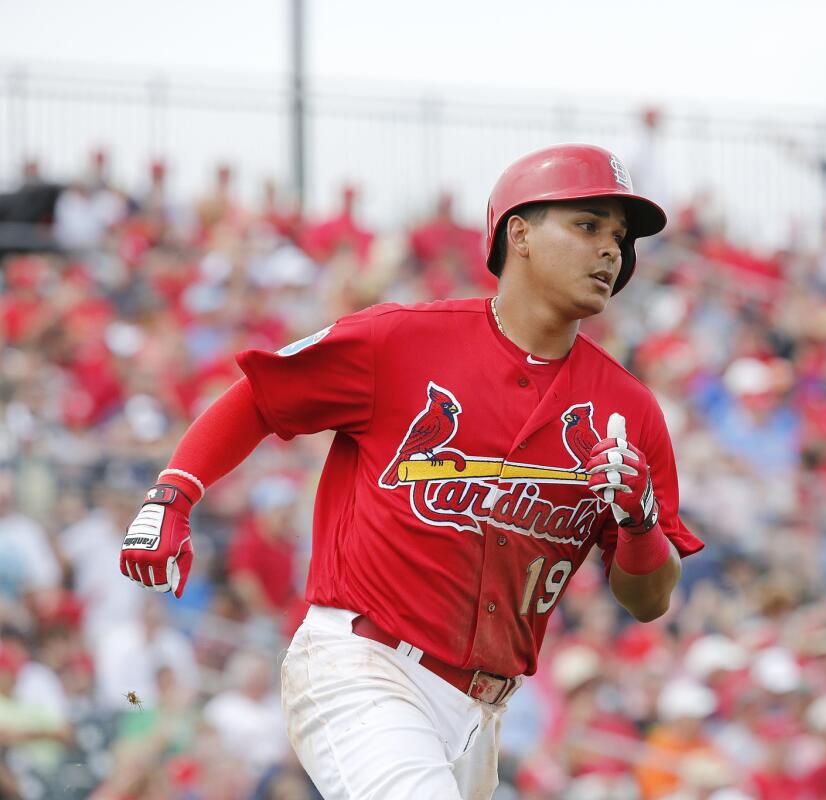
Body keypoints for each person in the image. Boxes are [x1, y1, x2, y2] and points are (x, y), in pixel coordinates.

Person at [118, 143, 704, 800]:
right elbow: (260, 396)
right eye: (587, 225)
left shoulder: (629, 409)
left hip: (484, 715)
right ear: (520, 233)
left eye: (619, 238)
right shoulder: (401, 340)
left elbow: (648, 599)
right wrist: (172, 494)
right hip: (365, 664)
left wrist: (639, 521)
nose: (610, 252)